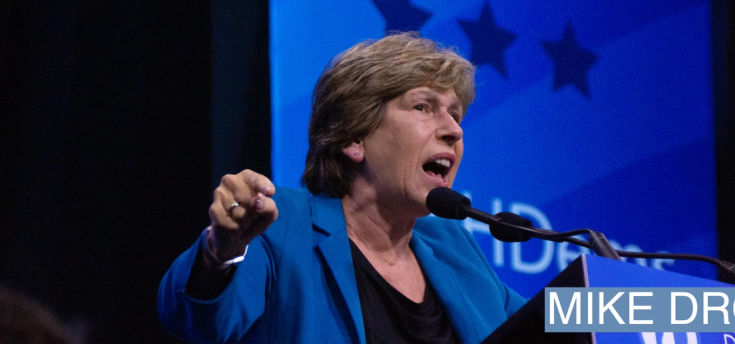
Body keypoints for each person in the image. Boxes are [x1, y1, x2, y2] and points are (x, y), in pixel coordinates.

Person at [158, 33, 526, 344]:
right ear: (354, 137)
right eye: (423, 107)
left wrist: (586, 300)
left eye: (455, 114)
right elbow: (198, 320)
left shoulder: (453, 246)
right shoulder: (282, 224)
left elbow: (538, 323)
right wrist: (222, 252)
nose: (454, 130)